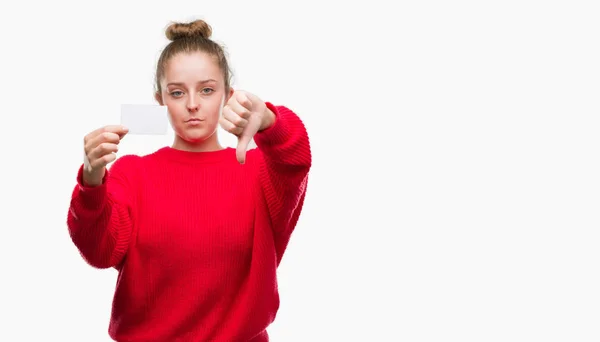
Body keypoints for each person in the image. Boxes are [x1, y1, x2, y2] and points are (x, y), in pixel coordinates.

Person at [66, 19, 311, 342]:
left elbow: (295, 161)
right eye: (177, 92)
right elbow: (100, 252)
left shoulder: (257, 171)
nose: (193, 104)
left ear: (228, 95)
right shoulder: (132, 174)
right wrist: (92, 182)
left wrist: (269, 120)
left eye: (207, 90)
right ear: (160, 99)